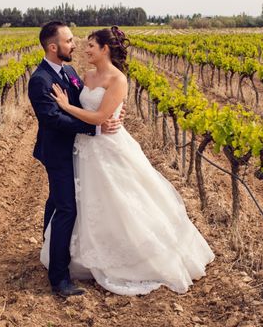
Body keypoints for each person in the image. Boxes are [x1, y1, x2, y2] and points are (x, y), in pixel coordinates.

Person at [44, 26, 215, 296]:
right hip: (85, 146)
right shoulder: (84, 75)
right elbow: (87, 110)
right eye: (83, 44)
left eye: (91, 46)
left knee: (122, 198)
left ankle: (135, 256)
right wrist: (78, 111)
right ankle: (81, 256)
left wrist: (67, 107)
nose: (84, 49)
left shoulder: (118, 79)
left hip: (108, 144)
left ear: (105, 49)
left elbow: (100, 117)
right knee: (86, 201)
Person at [27, 21, 123, 297]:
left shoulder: (68, 70)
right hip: (57, 152)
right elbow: (53, 119)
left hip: (77, 148)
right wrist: (94, 127)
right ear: (54, 47)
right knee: (67, 208)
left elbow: (88, 104)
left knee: (57, 201)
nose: (75, 44)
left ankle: (48, 247)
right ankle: (59, 277)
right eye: (69, 40)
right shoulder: (40, 80)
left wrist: (110, 115)